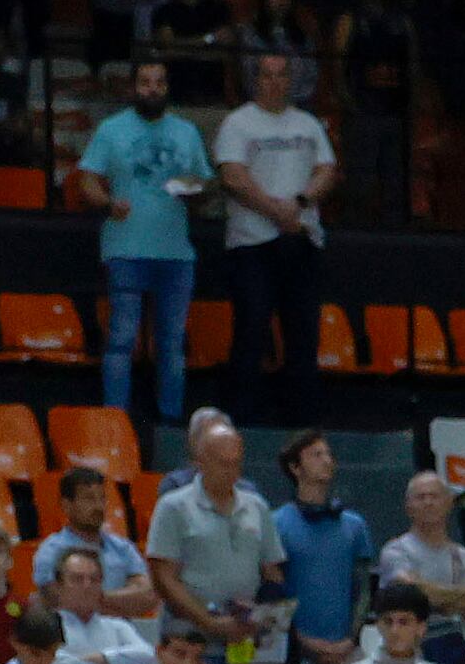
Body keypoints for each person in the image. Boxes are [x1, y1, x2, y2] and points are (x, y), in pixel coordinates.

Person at [72, 54, 207, 432]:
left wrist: (191, 189)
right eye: (145, 82)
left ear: (167, 87)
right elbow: (86, 180)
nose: (152, 89)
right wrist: (106, 203)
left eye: (159, 82)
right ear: (133, 87)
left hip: (175, 252)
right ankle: (114, 418)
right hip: (126, 248)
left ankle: (170, 423)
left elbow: (204, 184)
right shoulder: (111, 130)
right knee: (121, 338)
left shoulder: (187, 132)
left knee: (172, 345)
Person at [212, 49, 335, 427]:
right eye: (267, 75)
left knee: (303, 333)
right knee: (251, 328)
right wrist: (273, 209)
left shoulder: (308, 124)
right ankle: (244, 416)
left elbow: (326, 169)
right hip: (253, 243)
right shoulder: (238, 124)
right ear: (256, 80)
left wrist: (299, 202)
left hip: (301, 240)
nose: (275, 82)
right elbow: (232, 176)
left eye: (282, 75)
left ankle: (301, 419)